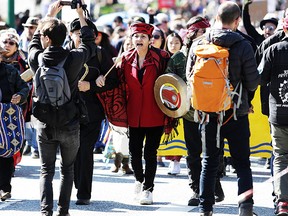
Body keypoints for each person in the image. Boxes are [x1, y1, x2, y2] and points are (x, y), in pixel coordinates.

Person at [186, 2, 260, 215]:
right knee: (242, 163)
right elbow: (253, 81)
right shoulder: (244, 44)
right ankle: (245, 207)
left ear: (216, 18)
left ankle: (205, 208)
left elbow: (190, 77)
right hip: (236, 112)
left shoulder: (199, 43)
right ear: (237, 21)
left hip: (208, 113)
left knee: (209, 161)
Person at [28, 1, 96, 215]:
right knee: (67, 170)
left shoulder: (38, 59)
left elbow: (33, 44)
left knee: (46, 170)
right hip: (70, 121)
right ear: (65, 36)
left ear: (46, 38)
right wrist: (80, 14)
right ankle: (63, 211)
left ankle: (45, 210)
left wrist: (48, 15)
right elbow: (89, 43)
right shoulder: (74, 58)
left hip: (45, 122)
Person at [166, 15, 225, 206]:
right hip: (190, 113)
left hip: (212, 110)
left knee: (213, 152)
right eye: (200, 31)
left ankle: (214, 186)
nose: (203, 35)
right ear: (192, 33)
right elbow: (169, 85)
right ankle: (196, 190)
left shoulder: (216, 52)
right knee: (193, 154)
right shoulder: (178, 58)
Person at [116, 22, 170, 205]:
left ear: (150, 40)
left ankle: (148, 189)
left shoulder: (162, 57)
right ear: (131, 39)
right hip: (133, 114)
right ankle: (139, 179)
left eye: (143, 37)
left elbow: (170, 83)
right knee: (134, 153)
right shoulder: (125, 58)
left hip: (155, 113)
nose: (139, 39)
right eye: (136, 36)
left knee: (150, 153)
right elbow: (115, 81)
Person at [66, 17, 118, 205]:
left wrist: (93, 86)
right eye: (77, 34)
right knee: (72, 151)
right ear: (70, 35)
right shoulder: (64, 53)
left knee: (86, 150)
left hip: (92, 112)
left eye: (85, 34)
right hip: (68, 111)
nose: (81, 37)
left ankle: (84, 193)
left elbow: (113, 81)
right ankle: (77, 184)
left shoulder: (100, 54)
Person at [258, 11, 288, 216]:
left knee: (281, 157)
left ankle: (283, 202)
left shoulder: (274, 49)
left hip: (279, 113)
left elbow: (259, 79)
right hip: (278, 114)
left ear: (283, 28)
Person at [0, 44, 29, 201]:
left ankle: (5, 188)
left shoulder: (10, 71)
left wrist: (19, 96)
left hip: (7, 118)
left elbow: (24, 87)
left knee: (6, 151)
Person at [163, 32, 184, 175]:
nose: (173, 45)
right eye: (171, 43)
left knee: (180, 129)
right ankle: (168, 157)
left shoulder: (184, 57)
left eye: (176, 42)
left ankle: (177, 160)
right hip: (165, 97)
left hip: (181, 97)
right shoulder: (163, 58)